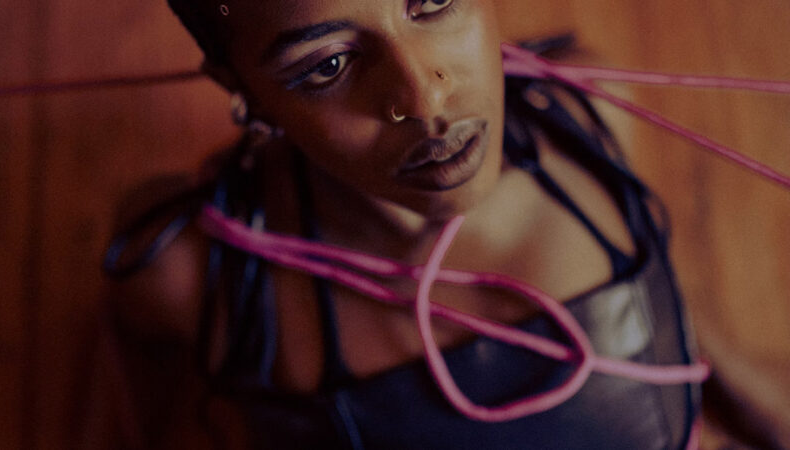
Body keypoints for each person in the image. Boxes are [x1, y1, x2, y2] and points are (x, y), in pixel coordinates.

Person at [103, 0, 706, 448]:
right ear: (244, 90)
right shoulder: (184, 269)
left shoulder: (588, 113)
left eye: (435, 0)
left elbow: (687, 326)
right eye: (328, 64)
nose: (425, 100)